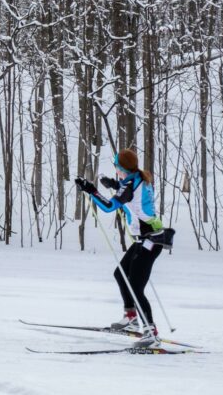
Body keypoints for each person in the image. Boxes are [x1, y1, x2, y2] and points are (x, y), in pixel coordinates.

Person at [74, 148, 173, 349]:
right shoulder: (138, 177)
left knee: (136, 287)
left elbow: (109, 206)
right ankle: (131, 318)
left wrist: (91, 190)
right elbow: (129, 190)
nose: (116, 170)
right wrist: (113, 184)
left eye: (117, 167)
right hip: (144, 239)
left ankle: (150, 332)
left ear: (122, 168)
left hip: (150, 241)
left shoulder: (129, 183)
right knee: (120, 274)